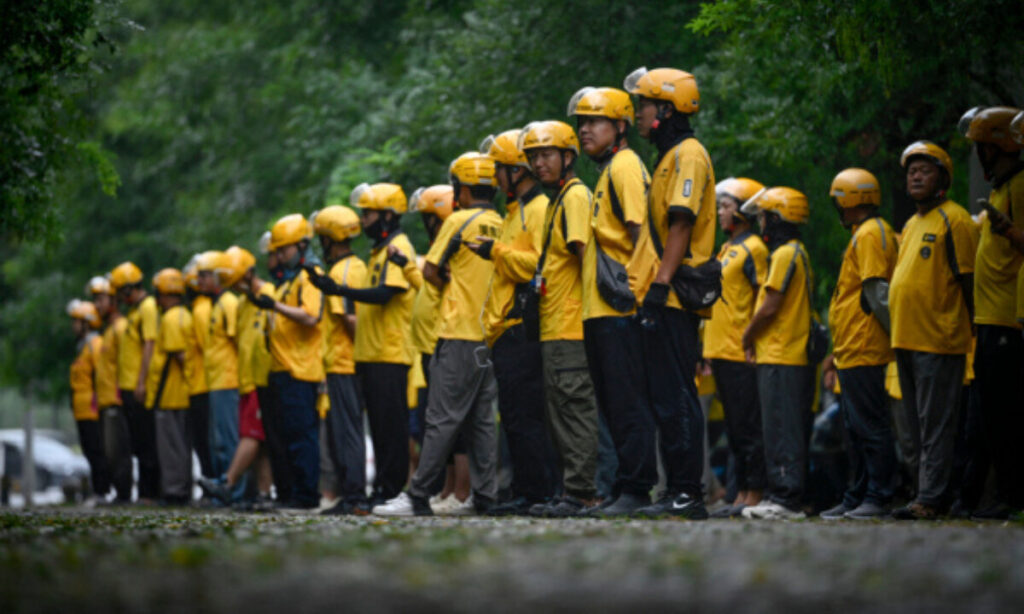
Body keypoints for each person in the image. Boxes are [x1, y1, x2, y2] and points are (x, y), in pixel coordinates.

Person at [373, 152, 503, 516]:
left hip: (458, 332)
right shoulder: (500, 222)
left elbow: (430, 270)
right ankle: (486, 496)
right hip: (488, 335)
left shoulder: (458, 220)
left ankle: (417, 496)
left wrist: (450, 280)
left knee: (441, 417)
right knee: (481, 421)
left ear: (462, 190)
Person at [623, 66, 714, 519]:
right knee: (664, 396)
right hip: (660, 295)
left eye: (644, 104)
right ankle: (675, 489)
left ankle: (687, 492)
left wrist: (660, 285)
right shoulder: (668, 157)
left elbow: (682, 223)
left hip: (674, 295)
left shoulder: (688, 155)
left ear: (667, 108)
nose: (638, 113)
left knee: (677, 394)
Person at [566, 85, 655, 517]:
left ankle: (637, 489)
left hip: (622, 308)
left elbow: (642, 234)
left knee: (628, 402)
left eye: (594, 121)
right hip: (599, 310)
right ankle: (622, 488)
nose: (585, 129)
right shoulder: (606, 173)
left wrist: (644, 298)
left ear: (620, 126)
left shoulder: (624, 166)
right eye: (581, 123)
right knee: (612, 405)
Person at [306, 184, 417, 507]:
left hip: (390, 351)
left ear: (387, 215)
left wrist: (340, 291)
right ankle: (381, 491)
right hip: (372, 353)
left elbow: (386, 294)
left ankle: (391, 491)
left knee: (391, 429)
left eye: (368, 214)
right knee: (380, 429)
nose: (363, 220)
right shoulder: (377, 253)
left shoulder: (399, 247)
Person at [470, 129, 559, 515]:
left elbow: (538, 265)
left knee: (526, 415)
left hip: (524, 325)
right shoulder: (513, 211)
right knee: (514, 415)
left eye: (499, 169)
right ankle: (525, 488)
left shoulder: (538, 209)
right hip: (506, 329)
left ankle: (536, 492)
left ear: (517, 170)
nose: (494, 178)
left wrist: (495, 250)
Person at [889, 141, 978, 520]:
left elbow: (969, 282)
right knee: (916, 427)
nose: (915, 176)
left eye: (924, 170)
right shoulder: (911, 224)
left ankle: (931, 498)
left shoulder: (955, 219)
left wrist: (974, 333)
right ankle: (924, 493)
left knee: (936, 425)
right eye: (911, 171)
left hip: (939, 339)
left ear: (942, 177)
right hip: (905, 338)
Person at [518, 120, 602, 517]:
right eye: (534, 157)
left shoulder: (575, 197)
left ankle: (583, 493)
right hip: (555, 326)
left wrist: (590, 319)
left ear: (568, 157)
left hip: (571, 325)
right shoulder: (559, 199)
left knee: (574, 408)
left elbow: (588, 259)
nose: (539, 163)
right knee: (560, 413)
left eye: (547, 155)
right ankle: (572, 490)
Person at [819, 168, 899, 520]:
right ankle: (857, 496)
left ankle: (879, 496)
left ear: (849, 200)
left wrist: (897, 335)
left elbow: (877, 291)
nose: (838, 207)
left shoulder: (870, 233)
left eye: (839, 200)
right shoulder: (862, 233)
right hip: (851, 350)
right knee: (854, 429)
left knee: (871, 426)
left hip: (866, 346)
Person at [959, 106, 1024, 517]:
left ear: (997, 146)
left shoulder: (1020, 185)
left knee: (1005, 416)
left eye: (981, 146)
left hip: (1006, 320)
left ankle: (1012, 498)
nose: (978, 154)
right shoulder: (1002, 188)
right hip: (987, 320)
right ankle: (980, 498)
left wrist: (1007, 229)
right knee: (985, 420)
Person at [739, 187, 815, 520]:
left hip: (782, 353)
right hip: (780, 353)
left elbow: (770, 306)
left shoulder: (786, 254)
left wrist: (747, 335)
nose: (760, 224)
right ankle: (779, 494)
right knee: (778, 426)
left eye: (763, 217)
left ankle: (786, 498)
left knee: (781, 426)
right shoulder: (796, 252)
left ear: (776, 218)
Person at [702, 177, 769, 518]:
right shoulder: (726, 249)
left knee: (748, 427)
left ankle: (754, 491)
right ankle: (739, 491)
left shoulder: (754, 248)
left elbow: (762, 296)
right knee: (733, 428)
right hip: (719, 350)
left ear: (743, 211)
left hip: (740, 351)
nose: (720, 212)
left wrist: (752, 341)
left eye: (726, 206)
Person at [406, 186, 472, 513]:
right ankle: (447, 488)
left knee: (455, 424)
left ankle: (462, 491)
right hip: (430, 343)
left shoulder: (454, 249)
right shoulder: (439, 247)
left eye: (429, 218)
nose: (425, 224)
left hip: (445, 338)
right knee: (439, 421)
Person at [255, 214, 325, 510]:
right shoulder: (289, 280)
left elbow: (311, 316)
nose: (280, 255)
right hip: (283, 369)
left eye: (284, 249)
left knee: (302, 435)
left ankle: (307, 495)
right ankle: (293, 493)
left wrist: (276, 306)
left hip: (301, 369)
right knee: (287, 436)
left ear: (302, 245)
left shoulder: (310, 276)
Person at [200, 247, 274, 508]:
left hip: (259, 379)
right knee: (259, 442)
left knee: (250, 436)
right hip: (245, 380)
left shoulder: (267, 294)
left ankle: (228, 484)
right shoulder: (241, 303)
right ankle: (263, 495)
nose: (235, 288)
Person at [309, 205, 369, 515]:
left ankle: (354, 496)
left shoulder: (340, 273)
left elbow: (349, 318)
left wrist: (362, 353)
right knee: (348, 430)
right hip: (348, 362)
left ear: (329, 239)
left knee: (347, 432)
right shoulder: (358, 266)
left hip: (344, 362)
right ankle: (351, 494)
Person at [110, 261, 161, 502]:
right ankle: (145, 491)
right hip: (128, 386)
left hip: (139, 387)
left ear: (129, 289)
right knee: (138, 443)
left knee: (147, 440)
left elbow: (150, 345)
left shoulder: (148, 308)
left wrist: (141, 382)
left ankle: (150, 492)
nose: (119, 298)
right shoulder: (134, 312)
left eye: (121, 292)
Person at [146, 268, 195, 505]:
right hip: (181, 394)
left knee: (172, 446)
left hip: (171, 395)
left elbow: (180, 356)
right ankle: (181, 489)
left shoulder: (171, 319)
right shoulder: (184, 314)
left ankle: (175, 491)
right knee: (181, 445)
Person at [200, 250, 245, 502]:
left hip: (229, 381)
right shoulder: (216, 304)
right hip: (216, 381)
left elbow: (238, 342)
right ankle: (224, 490)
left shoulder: (228, 303)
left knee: (229, 439)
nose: (200, 281)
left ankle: (235, 491)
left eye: (205, 275)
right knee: (218, 441)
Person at [88, 275, 132, 503]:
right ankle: (119, 493)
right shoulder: (108, 331)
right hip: (105, 400)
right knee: (109, 450)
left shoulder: (121, 328)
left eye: (101, 299)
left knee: (118, 450)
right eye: (95, 300)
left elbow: (126, 365)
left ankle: (124, 495)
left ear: (114, 300)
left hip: (116, 399)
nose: (97, 305)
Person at [66, 299, 110, 503]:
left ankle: (102, 491)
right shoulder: (83, 348)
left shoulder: (95, 345)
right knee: (89, 450)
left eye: (76, 321)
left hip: (92, 409)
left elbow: (101, 377)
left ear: (87, 323)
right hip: (82, 409)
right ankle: (97, 491)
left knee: (97, 450)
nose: (73, 326)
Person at [183, 253, 214, 481]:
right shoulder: (199, 308)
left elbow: (207, 348)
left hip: (203, 385)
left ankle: (212, 481)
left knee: (205, 441)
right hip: (199, 384)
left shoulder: (201, 310)